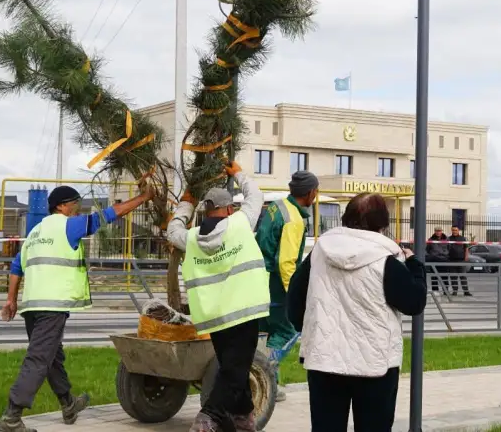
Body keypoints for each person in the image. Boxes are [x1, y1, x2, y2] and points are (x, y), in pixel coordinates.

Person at [0, 184, 155, 432]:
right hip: (52, 305)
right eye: (74, 203)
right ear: (61, 206)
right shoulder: (68, 226)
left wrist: (11, 300)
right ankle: (11, 417)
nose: (77, 207)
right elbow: (110, 214)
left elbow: (17, 268)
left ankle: (68, 404)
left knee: (52, 357)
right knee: (39, 358)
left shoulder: (35, 233)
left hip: (31, 306)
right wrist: (144, 197)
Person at [286, 193, 427, 432]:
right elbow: (414, 302)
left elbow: (295, 298)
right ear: (382, 224)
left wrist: (309, 329)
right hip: (375, 365)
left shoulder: (319, 252)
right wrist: (415, 266)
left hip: (325, 360)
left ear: (346, 217)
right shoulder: (386, 260)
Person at [166, 161, 269, 432]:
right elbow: (255, 195)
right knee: (234, 369)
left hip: (214, 316)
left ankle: (243, 416)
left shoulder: (190, 238)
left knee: (233, 365)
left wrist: (186, 204)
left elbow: (172, 229)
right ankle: (208, 416)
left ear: (207, 210)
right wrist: (238, 174)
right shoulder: (240, 224)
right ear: (227, 209)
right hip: (244, 311)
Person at [255, 170, 318, 402]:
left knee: (264, 331)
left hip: (258, 278)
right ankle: (265, 374)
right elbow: (286, 262)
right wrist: (295, 293)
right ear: (310, 193)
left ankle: (268, 383)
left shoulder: (277, 206)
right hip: (275, 282)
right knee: (286, 330)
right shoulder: (294, 219)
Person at [447, 225, 472, 297]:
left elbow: (466, 248)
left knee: (463, 276)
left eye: (456, 230)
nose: (454, 231)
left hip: (461, 260)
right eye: (453, 230)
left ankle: (466, 291)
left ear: (458, 231)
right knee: (453, 277)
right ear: (451, 230)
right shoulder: (449, 239)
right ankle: (455, 291)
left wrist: (466, 256)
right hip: (451, 260)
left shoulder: (463, 238)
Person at [426, 226, 449, 294]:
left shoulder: (446, 239)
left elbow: (449, 248)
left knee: (444, 276)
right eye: (437, 231)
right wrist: (433, 255)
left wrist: (445, 254)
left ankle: (445, 291)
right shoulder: (430, 239)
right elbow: (428, 249)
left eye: (439, 231)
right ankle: (435, 291)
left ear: (441, 231)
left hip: (443, 259)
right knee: (434, 276)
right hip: (434, 260)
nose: (438, 232)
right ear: (434, 231)